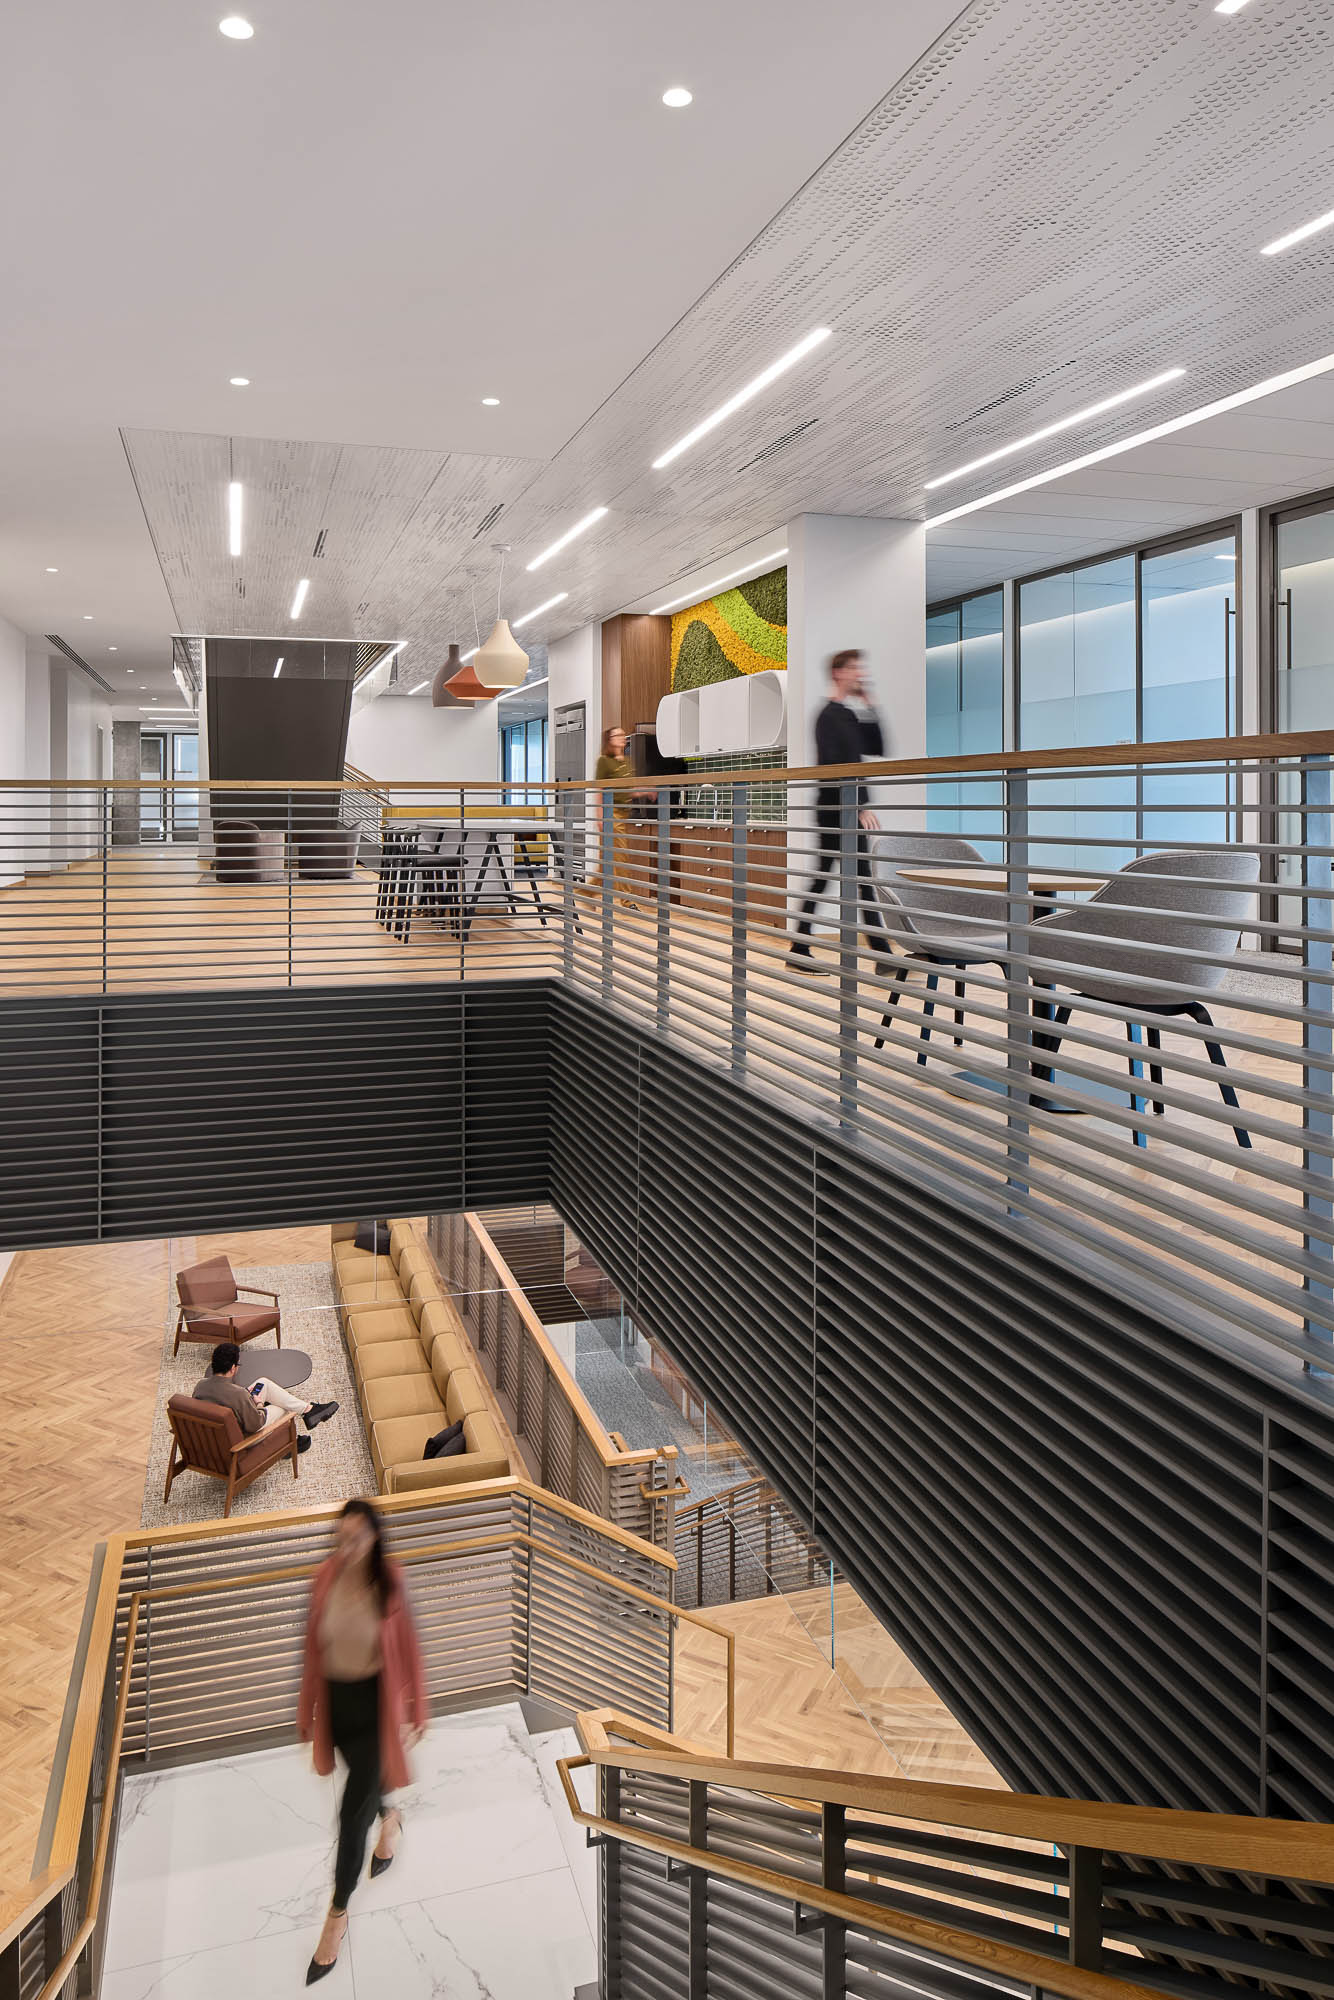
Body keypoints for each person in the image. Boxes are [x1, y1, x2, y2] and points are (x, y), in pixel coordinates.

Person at [299, 1497, 427, 1983]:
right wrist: (307, 1710)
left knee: (350, 1817)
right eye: (341, 1537)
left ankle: (336, 1917)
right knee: (366, 1789)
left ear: (374, 1538)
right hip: (339, 1707)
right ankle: (390, 1818)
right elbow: (313, 1648)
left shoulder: (389, 1581)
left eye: (357, 1538)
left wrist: (415, 1709)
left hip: (376, 1713)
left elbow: (409, 1646)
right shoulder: (325, 1579)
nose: (347, 1547)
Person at [788, 649, 892, 968]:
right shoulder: (827, 715)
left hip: (847, 806)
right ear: (838, 673)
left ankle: (880, 954)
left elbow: (877, 747)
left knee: (855, 878)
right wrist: (857, 806)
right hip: (836, 809)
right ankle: (879, 954)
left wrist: (870, 701)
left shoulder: (847, 713)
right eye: (854, 669)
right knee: (836, 878)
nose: (860, 673)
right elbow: (835, 766)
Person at [192, 1340, 337, 1449]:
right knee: (282, 1409)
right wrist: (259, 1404)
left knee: (263, 1383)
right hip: (241, 1439)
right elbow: (256, 1423)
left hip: (221, 1433)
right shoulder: (238, 1395)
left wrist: (248, 1398)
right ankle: (286, 1444)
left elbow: (224, 1400)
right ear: (232, 1368)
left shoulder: (200, 1386)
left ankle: (309, 1410)